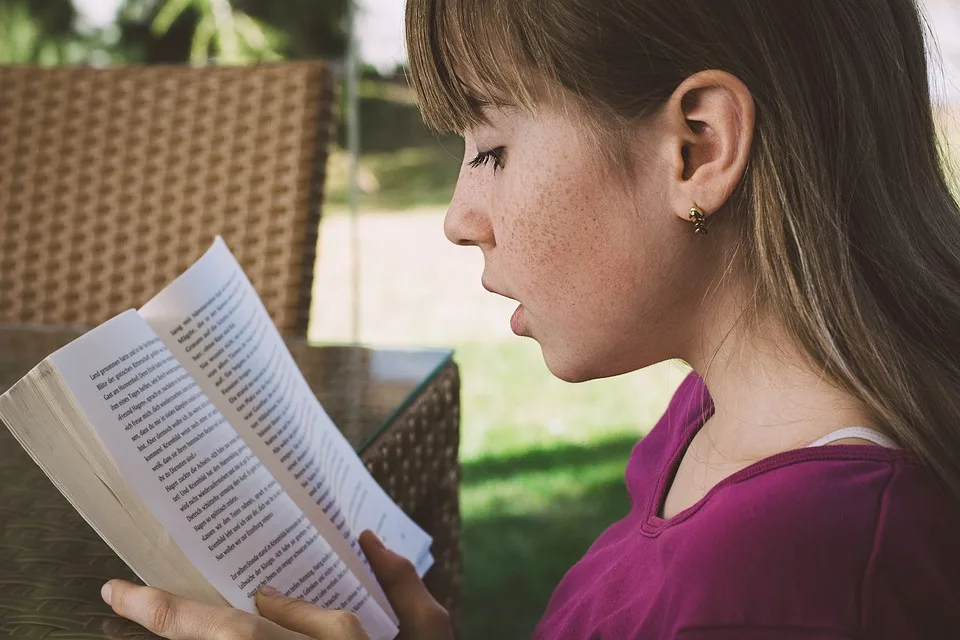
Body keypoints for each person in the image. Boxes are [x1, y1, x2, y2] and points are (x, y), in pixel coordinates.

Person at [100, 0, 960, 637]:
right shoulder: (712, 417)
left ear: (697, 148)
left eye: (492, 151)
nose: (458, 217)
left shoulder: (786, 571)